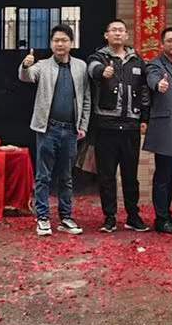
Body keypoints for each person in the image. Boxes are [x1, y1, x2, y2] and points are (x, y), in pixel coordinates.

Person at [19, 23, 91, 236]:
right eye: (56, 40)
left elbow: (86, 98)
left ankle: (66, 217)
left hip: (71, 130)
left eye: (64, 40)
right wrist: (25, 65)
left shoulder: (81, 67)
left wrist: (83, 125)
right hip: (47, 129)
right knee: (43, 176)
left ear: (71, 43)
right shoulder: (42, 65)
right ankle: (42, 218)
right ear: (51, 44)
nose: (60, 44)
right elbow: (27, 76)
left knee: (66, 177)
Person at [86, 20, 150, 233]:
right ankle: (110, 217)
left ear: (126, 35)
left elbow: (144, 92)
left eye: (121, 30)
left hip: (131, 126)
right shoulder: (98, 57)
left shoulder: (137, 60)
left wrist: (144, 118)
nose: (117, 33)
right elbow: (92, 70)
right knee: (107, 176)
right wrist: (102, 72)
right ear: (106, 35)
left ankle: (133, 216)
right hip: (107, 126)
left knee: (131, 175)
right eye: (113, 30)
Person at [142, 26, 172, 234]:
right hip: (165, 128)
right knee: (163, 174)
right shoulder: (155, 65)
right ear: (162, 44)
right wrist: (158, 85)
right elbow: (152, 79)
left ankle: (167, 214)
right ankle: (161, 219)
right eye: (170, 41)